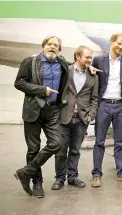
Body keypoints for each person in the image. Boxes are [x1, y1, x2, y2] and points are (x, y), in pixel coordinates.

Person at [13, 36, 69, 198]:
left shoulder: (62, 63)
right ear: (43, 46)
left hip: (52, 111)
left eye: (56, 45)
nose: (52, 47)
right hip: (33, 109)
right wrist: (41, 90)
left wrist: (89, 67)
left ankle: (26, 172)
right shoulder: (30, 62)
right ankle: (37, 182)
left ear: (59, 49)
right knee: (33, 148)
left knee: (56, 143)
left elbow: (74, 67)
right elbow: (19, 83)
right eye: (49, 44)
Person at [90, 32, 122, 187]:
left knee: (120, 142)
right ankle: (96, 174)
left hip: (121, 105)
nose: (121, 47)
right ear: (111, 42)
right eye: (119, 43)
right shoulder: (98, 60)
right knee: (99, 141)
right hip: (104, 104)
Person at [51, 46, 98, 190]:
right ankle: (59, 178)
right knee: (60, 151)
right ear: (78, 57)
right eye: (87, 57)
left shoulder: (94, 76)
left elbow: (95, 99)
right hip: (64, 116)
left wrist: (91, 114)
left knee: (75, 150)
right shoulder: (66, 71)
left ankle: (72, 177)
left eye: (91, 57)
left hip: (82, 119)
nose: (90, 60)